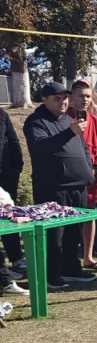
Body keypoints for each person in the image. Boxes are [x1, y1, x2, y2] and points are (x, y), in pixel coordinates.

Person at [23, 81, 96, 288]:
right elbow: (41, 146)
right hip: (53, 187)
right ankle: (51, 275)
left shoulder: (68, 120)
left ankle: (71, 269)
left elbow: (83, 147)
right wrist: (70, 132)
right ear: (45, 99)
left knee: (74, 232)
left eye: (65, 98)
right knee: (54, 234)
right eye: (57, 99)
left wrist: (88, 166)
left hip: (78, 185)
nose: (63, 102)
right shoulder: (35, 122)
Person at [68, 80, 97, 271]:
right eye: (81, 96)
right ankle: (67, 257)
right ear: (71, 97)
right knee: (69, 216)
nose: (85, 99)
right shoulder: (64, 119)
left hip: (93, 176)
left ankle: (88, 256)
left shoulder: (95, 120)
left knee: (90, 215)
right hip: (70, 178)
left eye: (88, 96)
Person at [0, 106, 27, 294]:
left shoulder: (1, 115)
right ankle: (3, 278)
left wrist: (16, 169)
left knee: (9, 219)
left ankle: (16, 259)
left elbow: (13, 141)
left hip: (5, 175)